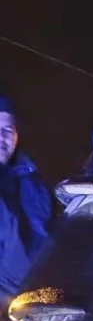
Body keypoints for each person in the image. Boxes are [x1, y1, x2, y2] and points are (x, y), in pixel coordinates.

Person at [0, 94, 52, 301]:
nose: (1, 138)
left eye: (7, 130)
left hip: (31, 303)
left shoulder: (33, 182)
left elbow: (45, 236)